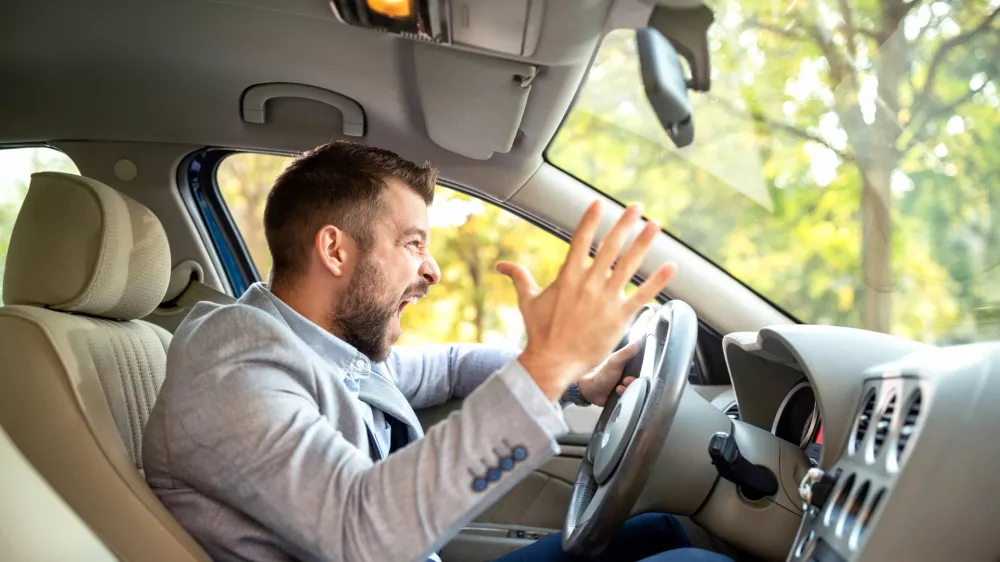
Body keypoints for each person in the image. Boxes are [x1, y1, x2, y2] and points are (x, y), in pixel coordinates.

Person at [142, 141, 733, 562]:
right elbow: (360, 535)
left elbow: (450, 368)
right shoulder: (232, 370)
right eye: (412, 243)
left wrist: (580, 381)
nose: (433, 270)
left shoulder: (322, 347)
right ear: (336, 251)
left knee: (663, 531)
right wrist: (544, 365)